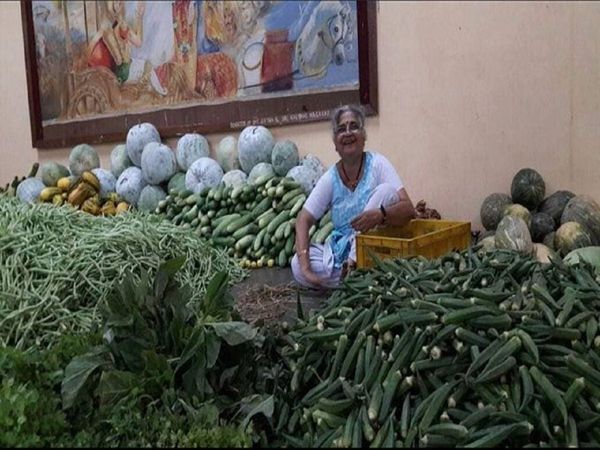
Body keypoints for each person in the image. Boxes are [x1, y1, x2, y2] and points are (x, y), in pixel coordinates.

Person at [291, 104, 416, 289]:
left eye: (354, 126)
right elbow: (303, 219)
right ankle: (355, 278)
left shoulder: (378, 164)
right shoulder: (331, 178)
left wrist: (380, 215)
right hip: (341, 252)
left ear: (364, 137)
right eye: (341, 129)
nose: (348, 133)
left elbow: (408, 209)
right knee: (296, 266)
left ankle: (353, 268)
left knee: (386, 191)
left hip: (377, 249)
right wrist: (306, 266)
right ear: (335, 143)